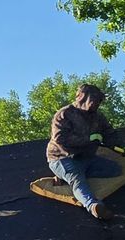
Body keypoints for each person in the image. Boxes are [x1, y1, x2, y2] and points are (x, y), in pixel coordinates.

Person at [47, 83, 120, 219]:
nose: (97, 104)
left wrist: (122, 147)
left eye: (99, 101)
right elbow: (60, 139)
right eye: (95, 100)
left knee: (114, 170)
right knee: (78, 180)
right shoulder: (64, 114)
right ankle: (93, 206)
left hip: (87, 157)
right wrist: (88, 139)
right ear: (83, 97)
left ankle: (64, 177)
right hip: (63, 158)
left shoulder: (98, 117)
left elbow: (109, 133)